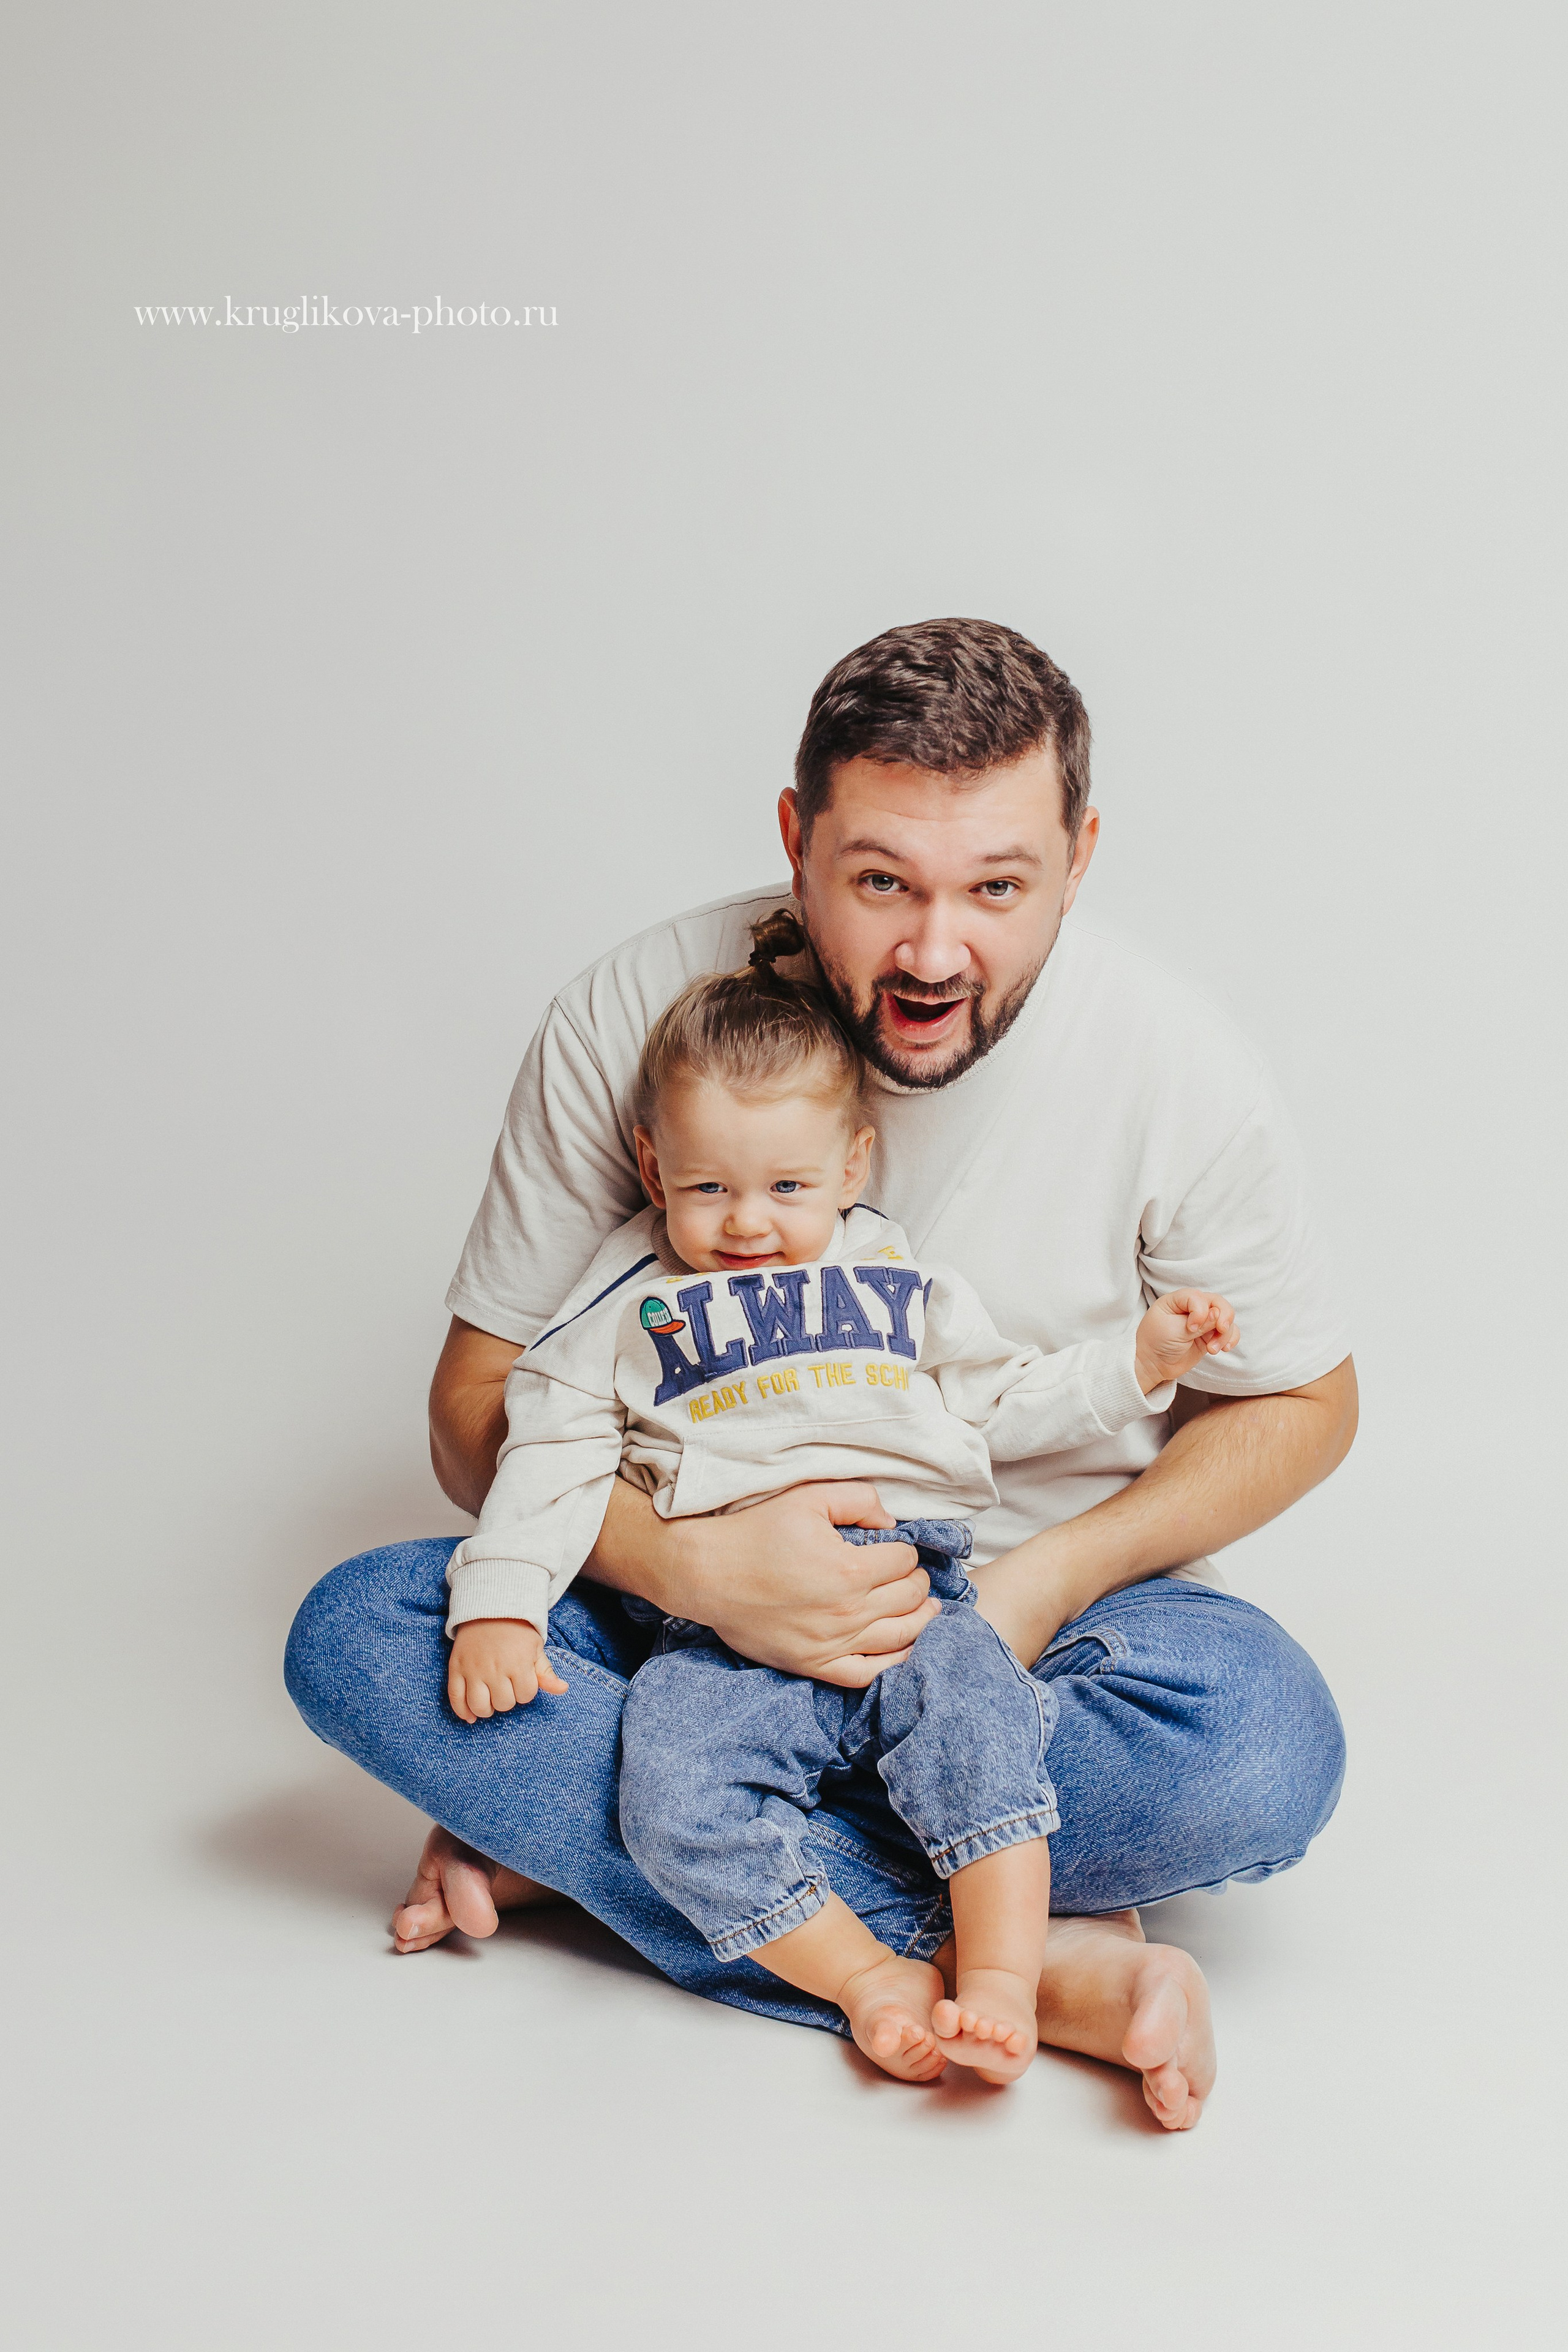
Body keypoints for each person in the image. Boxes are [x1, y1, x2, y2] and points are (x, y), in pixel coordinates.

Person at [285, 616, 1355, 2132]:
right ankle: (1039, 1970)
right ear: (795, 842)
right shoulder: (635, 1023)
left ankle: (631, 1856)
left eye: (997, 886)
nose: (931, 952)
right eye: (878, 883)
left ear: (1080, 851)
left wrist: (1039, 1582)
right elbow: (483, 1412)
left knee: (1258, 1744)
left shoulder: (1176, 1067)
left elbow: (1307, 1400)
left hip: (1024, 1611)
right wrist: (691, 1571)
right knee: (357, 1631)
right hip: (681, 1623)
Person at [444, 914, 1240, 2084]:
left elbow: (1002, 1400)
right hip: (719, 1636)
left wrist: (1139, 1365)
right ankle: (868, 1975)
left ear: (851, 1169)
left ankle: (1006, 1984)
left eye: (786, 1186)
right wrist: (502, 1609)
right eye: (708, 1186)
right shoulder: (624, 1308)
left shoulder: (892, 1277)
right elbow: (545, 1455)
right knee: (664, 1794)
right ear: (653, 1164)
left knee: (990, 1735)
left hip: (910, 1594)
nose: (748, 1222)